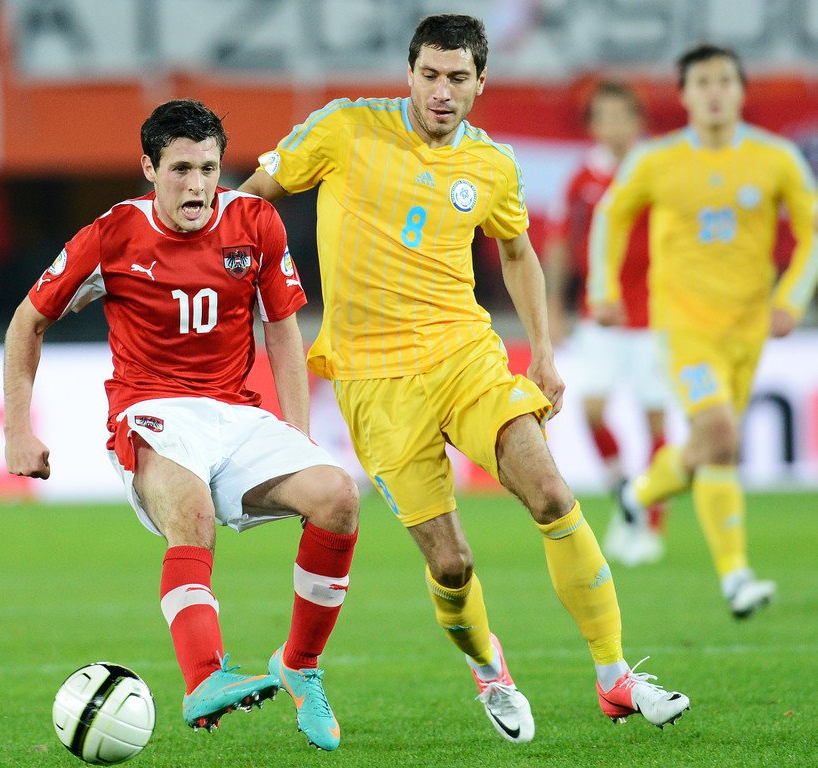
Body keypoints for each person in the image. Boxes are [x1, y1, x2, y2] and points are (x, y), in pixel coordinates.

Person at [240, 13, 689, 743]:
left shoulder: (491, 165)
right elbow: (252, 199)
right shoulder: (344, 127)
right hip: (374, 381)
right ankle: (490, 672)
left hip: (465, 356)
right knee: (451, 565)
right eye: (429, 75)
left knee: (551, 492)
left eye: (456, 78)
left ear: (480, 81)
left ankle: (615, 677)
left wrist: (542, 353)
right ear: (409, 74)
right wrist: (225, 275)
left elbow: (517, 252)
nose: (441, 91)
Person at [3, 99, 359, 752]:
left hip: (235, 413)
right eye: (180, 170)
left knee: (338, 497)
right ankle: (204, 677)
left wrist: (298, 431)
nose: (197, 186)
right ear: (149, 168)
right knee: (190, 513)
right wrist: (17, 430)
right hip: (152, 411)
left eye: (209, 169)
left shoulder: (255, 222)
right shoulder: (113, 234)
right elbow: (28, 321)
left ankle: (301, 665)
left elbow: (281, 328)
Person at [588, 44, 818, 619]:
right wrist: (602, 288)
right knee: (718, 432)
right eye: (703, 83)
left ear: (740, 91)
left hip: (748, 330)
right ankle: (736, 575)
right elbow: (611, 215)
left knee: (715, 447)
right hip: (683, 327)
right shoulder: (657, 160)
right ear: (685, 95)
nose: (714, 92)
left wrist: (791, 299)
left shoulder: (776, 158)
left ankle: (642, 494)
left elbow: (813, 230)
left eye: (724, 81)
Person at [544, 81, 669, 567]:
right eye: (605, 117)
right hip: (599, 312)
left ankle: (651, 522)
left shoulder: (657, 171)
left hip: (655, 314)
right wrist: (554, 306)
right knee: (592, 410)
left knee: (654, 419)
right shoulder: (583, 179)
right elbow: (559, 243)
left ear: (638, 121)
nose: (614, 126)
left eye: (623, 116)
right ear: (593, 126)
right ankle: (627, 497)